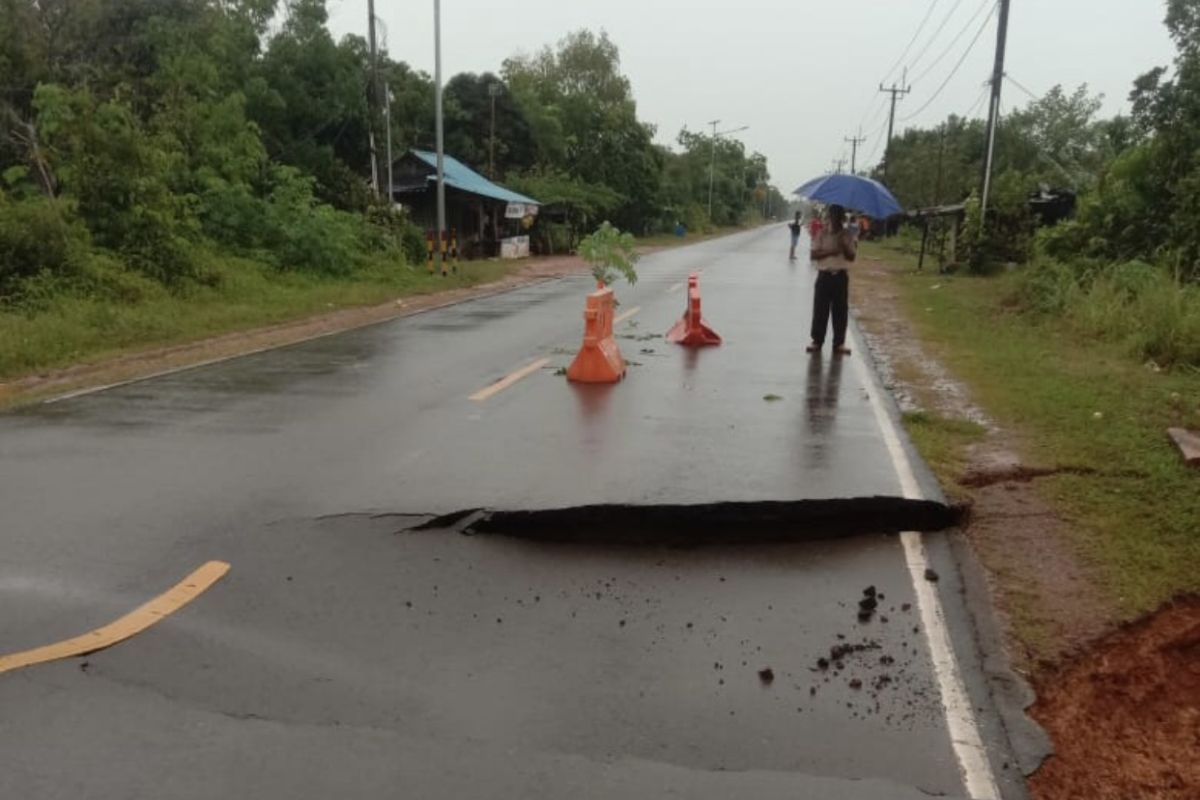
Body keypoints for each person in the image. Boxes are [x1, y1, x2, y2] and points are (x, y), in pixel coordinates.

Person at [807, 203, 857, 356]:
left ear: (841, 218)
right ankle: (817, 341)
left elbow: (852, 256)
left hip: (840, 276)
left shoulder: (847, 234)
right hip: (824, 275)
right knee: (820, 310)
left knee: (840, 311)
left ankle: (839, 343)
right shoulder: (821, 233)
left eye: (838, 216)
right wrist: (832, 251)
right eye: (833, 215)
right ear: (829, 216)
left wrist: (844, 245)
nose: (835, 219)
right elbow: (813, 255)